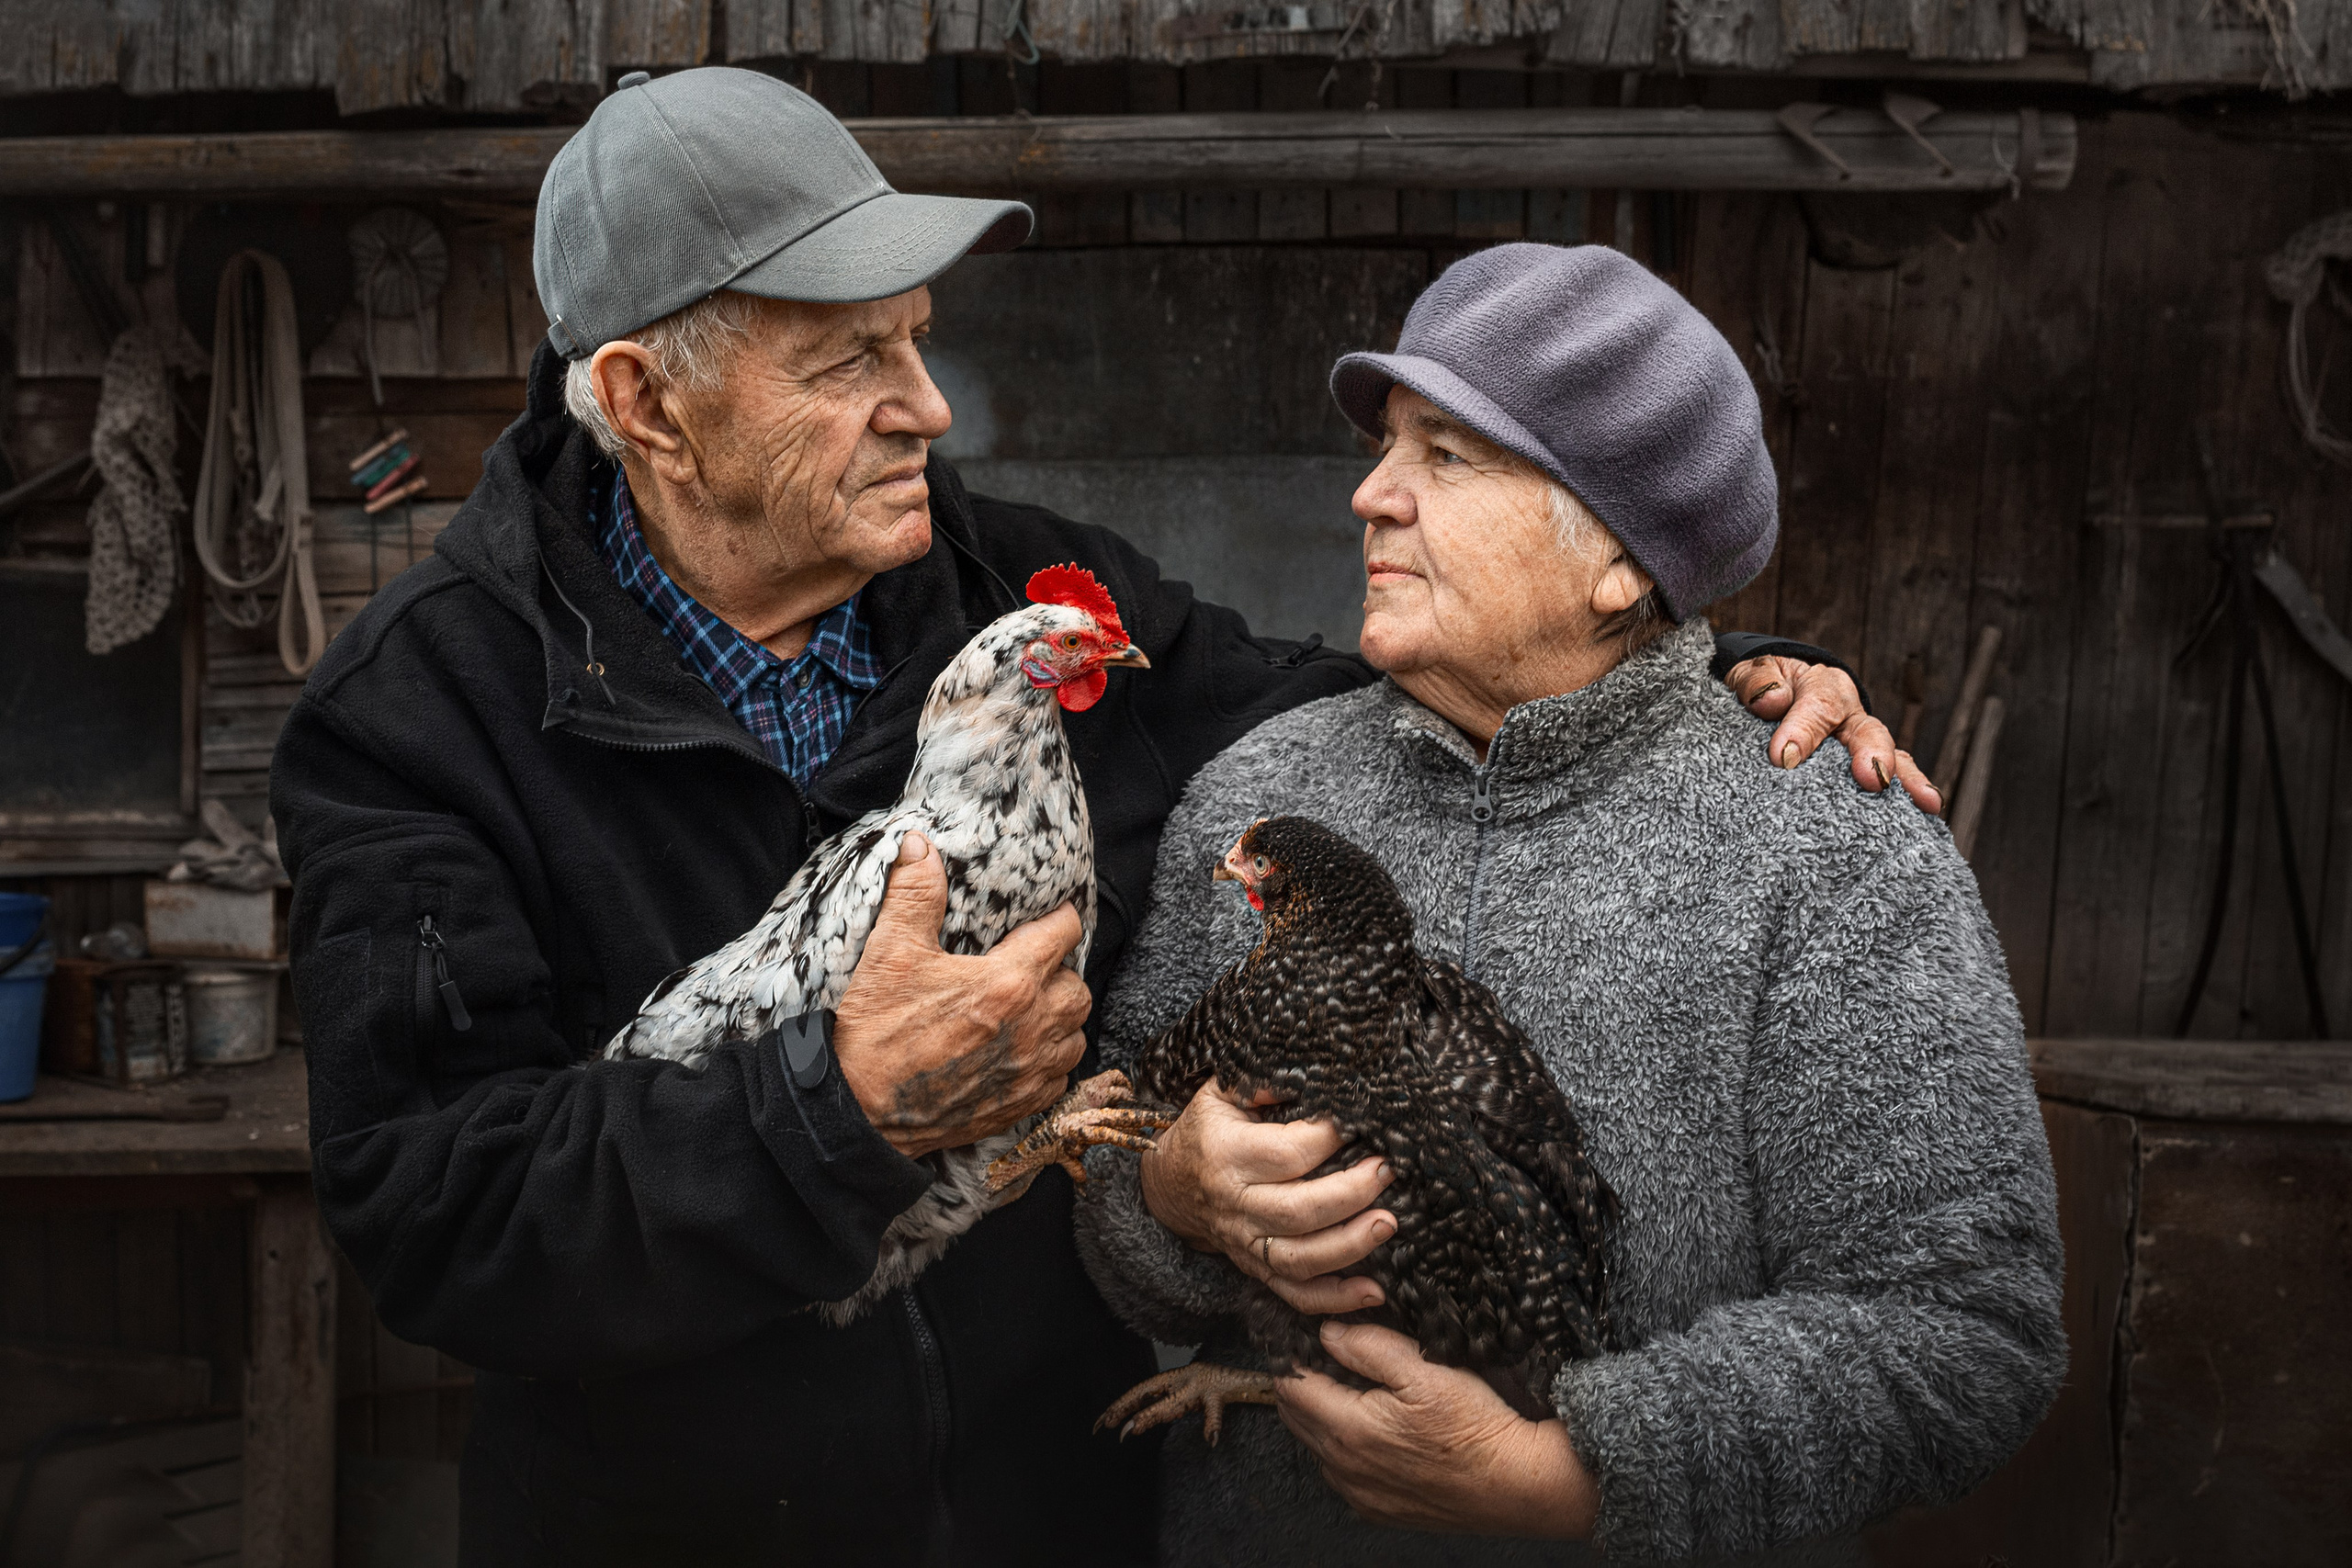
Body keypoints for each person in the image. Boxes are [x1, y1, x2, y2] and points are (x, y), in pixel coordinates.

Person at [273, 71, 1921, 1567]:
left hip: (1047, 1519)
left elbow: (1353, 703)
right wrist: (831, 1110)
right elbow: (437, 1220)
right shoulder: (418, 721)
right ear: (645, 402)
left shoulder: (1023, 591)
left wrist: (1706, 672)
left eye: (915, 338)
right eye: (849, 359)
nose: (927, 405)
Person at [1073, 243, 2063, 1567]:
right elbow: (1111, 1141)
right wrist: (1165, 1198)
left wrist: (1582, 1474)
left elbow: (1965, 1326)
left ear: (1618, 559)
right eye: (1384, 450)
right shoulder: (1259, 793)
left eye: (1447, 456)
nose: (1371, 494)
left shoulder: (1829, 848)